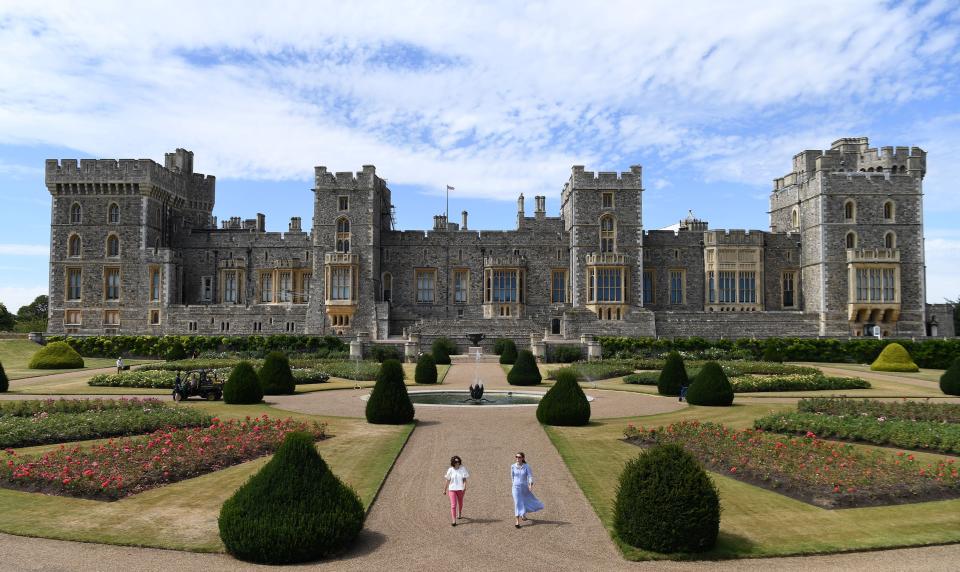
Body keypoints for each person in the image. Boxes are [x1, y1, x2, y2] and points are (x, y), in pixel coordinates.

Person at [510, 452, 543, 528]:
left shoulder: (526, 466)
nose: (517, 458)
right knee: (517, 502)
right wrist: (514, 484)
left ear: (523, 458)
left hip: (524, 487)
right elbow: (512, 477)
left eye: (519, 457)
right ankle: (517, 521)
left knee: (524, 500)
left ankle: (523, 514)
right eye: (516, 457)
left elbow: (530, 476)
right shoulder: (512, 466)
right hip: (515, 488)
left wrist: (530, 484)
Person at [443, 455, 469, 526]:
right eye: (455, 462)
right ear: (453, 463)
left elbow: (464, 479)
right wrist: (444, 489)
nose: (457, 463)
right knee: (453, 505)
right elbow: (447, 480)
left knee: (460, 503)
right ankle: (453, 520)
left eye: (458, 461)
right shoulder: (450, 470)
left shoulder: (462, 469)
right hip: (452, 489)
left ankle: (459, 513)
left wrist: (465, 486)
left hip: (460, 489)